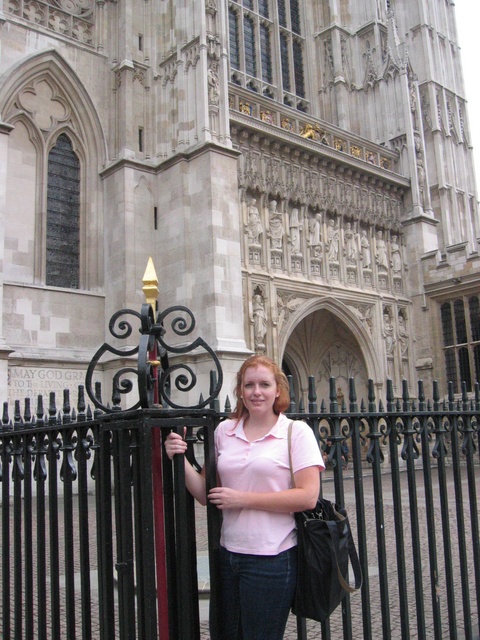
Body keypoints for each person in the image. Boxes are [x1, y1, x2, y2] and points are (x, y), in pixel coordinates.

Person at [164, 355, 324, 640]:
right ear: (240, 390)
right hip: (228, 556)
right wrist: (180, 457)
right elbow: (204, 493)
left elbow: (308, 496)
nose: (256, 391)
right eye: (249, 385)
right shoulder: (225, 431)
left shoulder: (295, 432)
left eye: (264, 384)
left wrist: (243, 499)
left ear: (278, 390)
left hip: (272, 558)